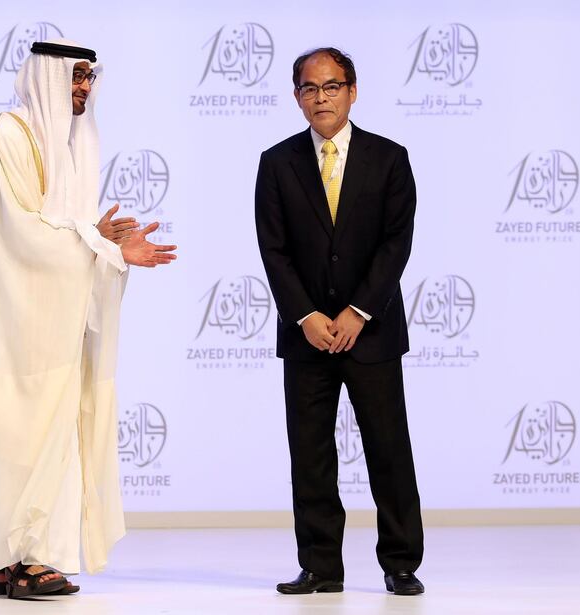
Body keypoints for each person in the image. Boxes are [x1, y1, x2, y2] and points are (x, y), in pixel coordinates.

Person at [0, 39, 176, 599]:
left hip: (51, 330)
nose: (84, 87)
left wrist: (100, 238)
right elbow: (21, 233)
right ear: (46, 77)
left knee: (53, 435)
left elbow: (62, 228)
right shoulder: (9, 135)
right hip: (8, 326)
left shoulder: (68, 144)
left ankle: (32, 557)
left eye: (90, 77)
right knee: (13, 436)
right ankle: (12, 560)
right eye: (75, 76)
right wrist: (99, 245)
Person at [254, 47, 424, 596]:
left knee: (388, 450)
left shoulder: (390, 158)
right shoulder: (276, 163)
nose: (320, 97)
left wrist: (357, 311)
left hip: (370, 333)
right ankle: (321, 566)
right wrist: (305, 314)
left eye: (331, 86)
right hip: (306, 337)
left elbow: (396, 243)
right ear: (296, 96)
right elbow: (273, 250)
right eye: (309, 88)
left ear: (352, 91)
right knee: (310, 454)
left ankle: (401, 564)